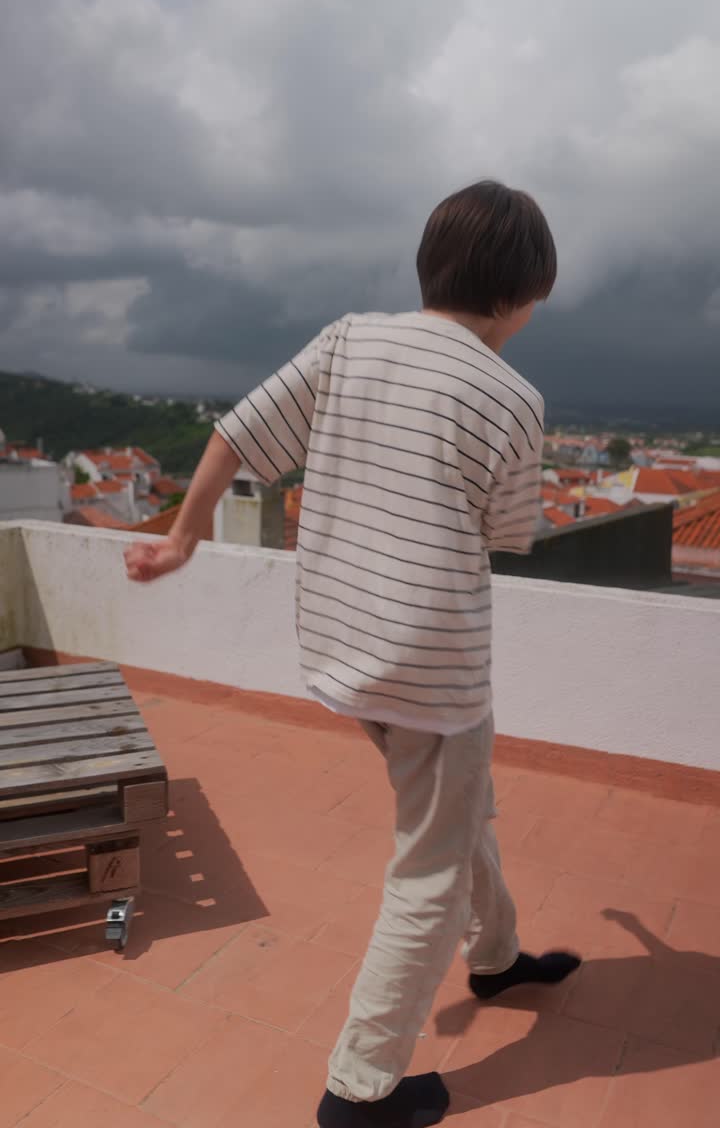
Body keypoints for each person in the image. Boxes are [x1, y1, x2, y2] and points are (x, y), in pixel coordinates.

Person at [125, 180, 580, 1128]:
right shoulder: (512, 394)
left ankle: (494, 958)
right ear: (517, 295)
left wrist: (183, 539)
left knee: (455, 809)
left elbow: (237, 434)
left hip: (344, 646)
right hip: (434, 669)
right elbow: (507, 532)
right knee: (428, 865)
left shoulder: (347, 339)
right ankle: (360, 1089)